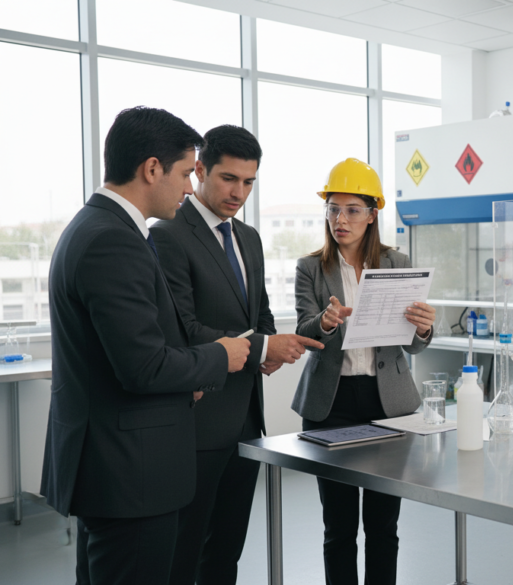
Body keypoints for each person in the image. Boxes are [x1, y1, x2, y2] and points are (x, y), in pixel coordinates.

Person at [42, 106, 250, 585]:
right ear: (151, 168)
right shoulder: (112, 241)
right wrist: (220, 355)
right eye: (183, 173)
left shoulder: (97, 228)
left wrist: (186, 382)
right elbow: (143, 367)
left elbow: (126, 352)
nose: (186, 186)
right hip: (130, 475)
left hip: (114, 469)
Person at [150, 125, 325, 585]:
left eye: (249, 182)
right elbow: (184, 329)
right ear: (201, 170)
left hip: (246, 418)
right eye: (229, 179)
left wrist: (263, 348)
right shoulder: (168, 234)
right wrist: (263, 348)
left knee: (227, 551)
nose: (239, 192)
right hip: (198, 421)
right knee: (185, 552)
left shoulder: (248, 237)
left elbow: (260, 312)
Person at [292, 158, 436, 585]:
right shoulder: (311, 267)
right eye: (334, 209)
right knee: (338, 528)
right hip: (330, 403)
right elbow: (302, 330)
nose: (341, 219)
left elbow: (411, 341)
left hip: (386, 401)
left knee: (382, 525)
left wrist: (425, 326)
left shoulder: (397, 261)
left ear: (373, 214)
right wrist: (325, 322)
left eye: (352, 209)